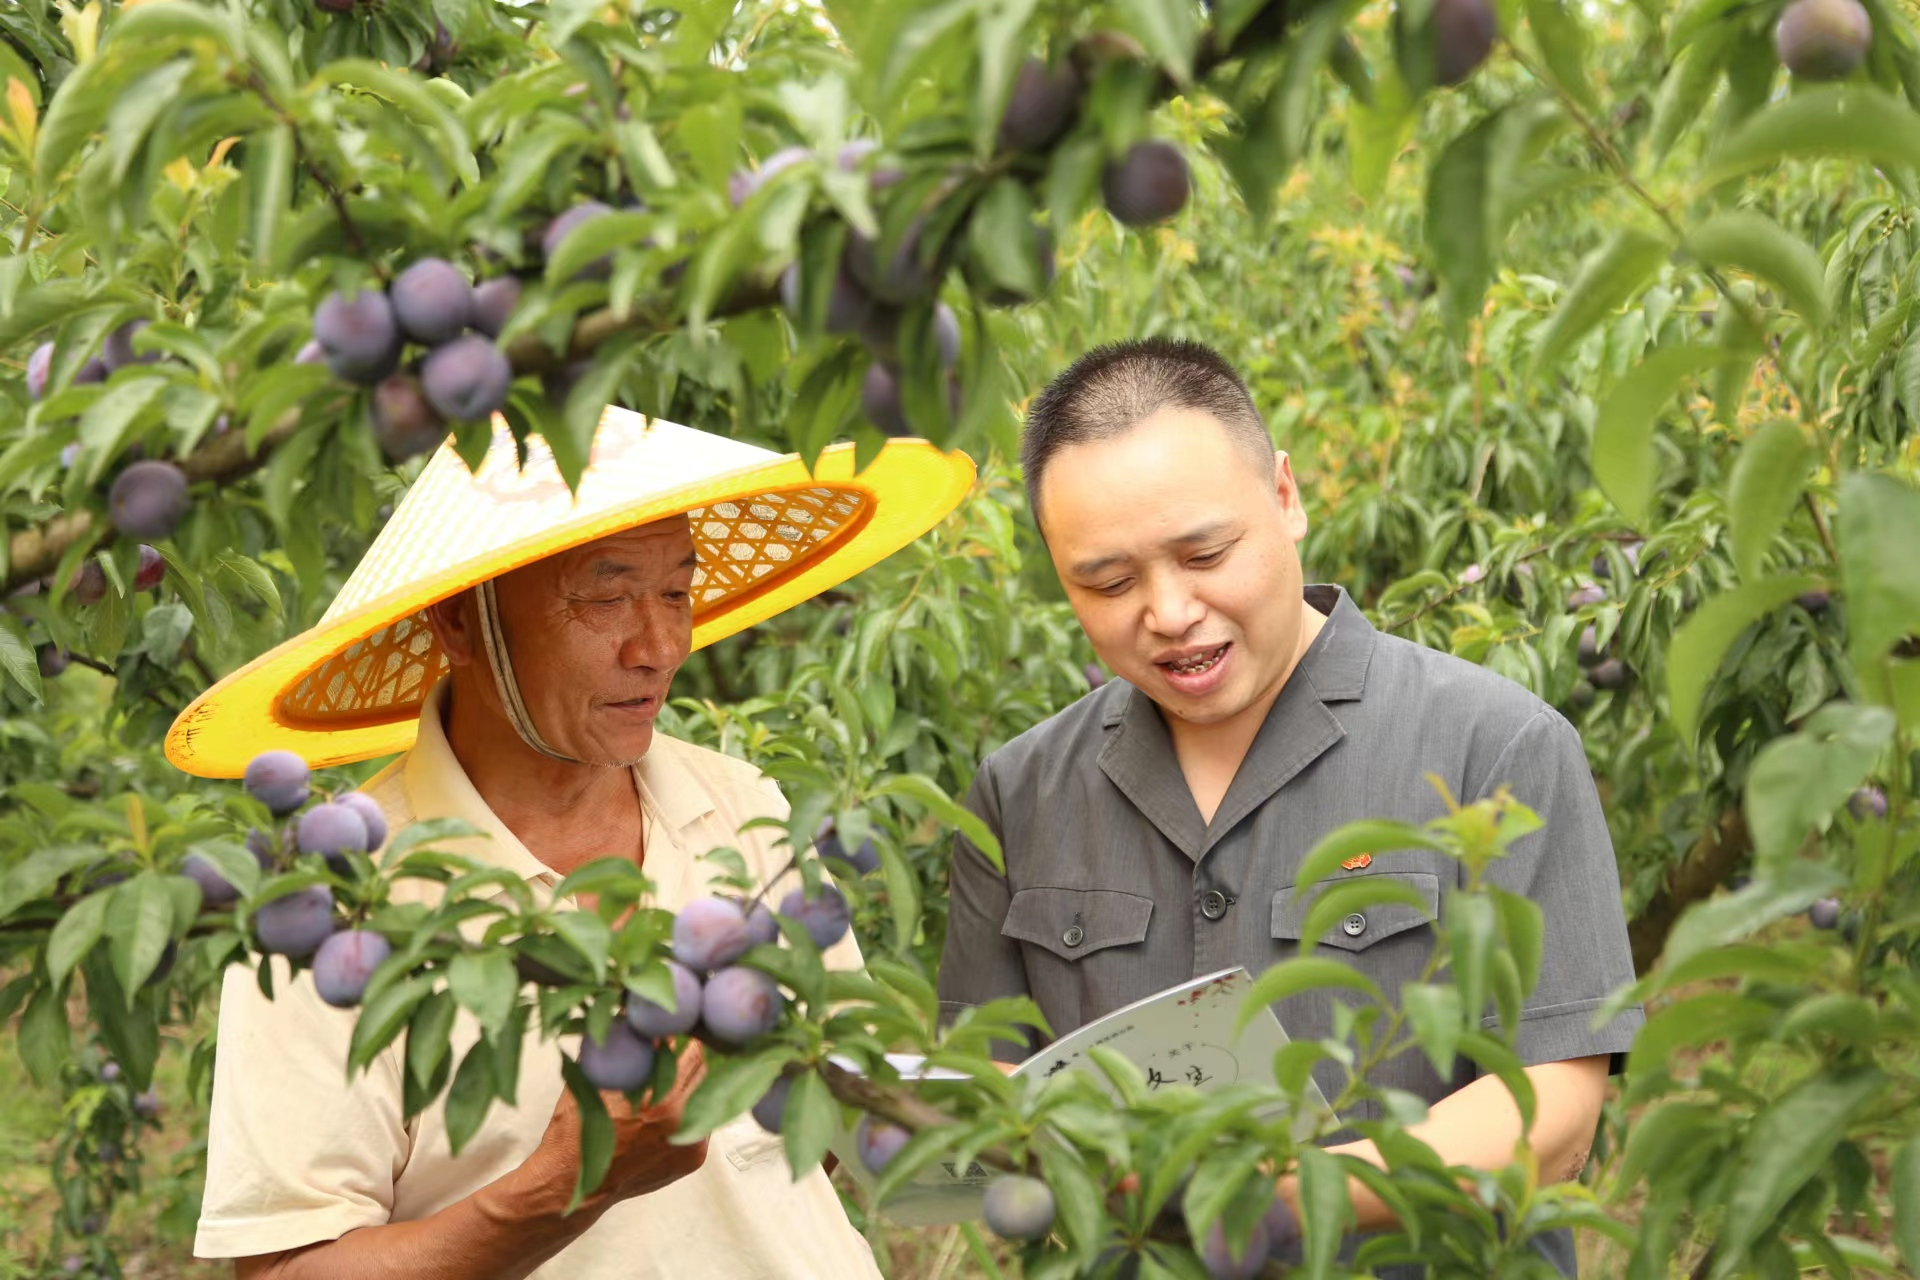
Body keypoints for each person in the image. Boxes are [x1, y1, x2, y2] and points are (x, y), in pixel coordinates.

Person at [171, 409, 975, 1278]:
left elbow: (824, 1130)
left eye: (677, 593)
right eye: (605, 596)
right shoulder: (336, 906)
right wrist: (570, 1186)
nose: (660, 647)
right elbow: (284, 1269)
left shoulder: (741, 808)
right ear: (458, 622)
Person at [935, 339, 1643, 1276]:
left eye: (1205, 554)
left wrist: (1276, 1199)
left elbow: (1554, 1109)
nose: (1169, 611)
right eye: (1107, 583)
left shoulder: (1496, 746)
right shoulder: (1021, 792)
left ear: (1285, 497)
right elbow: (986, 1084)